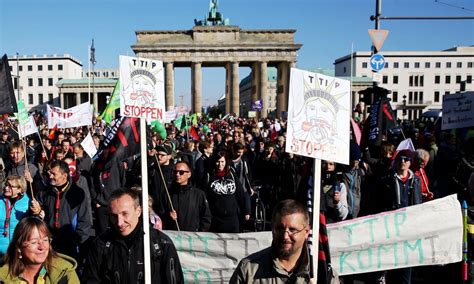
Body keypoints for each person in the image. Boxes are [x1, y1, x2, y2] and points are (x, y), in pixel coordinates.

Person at [82, 187, 184, 283]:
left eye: (125, 214)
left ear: (138, 211)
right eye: (114, 216)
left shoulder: (161, 244)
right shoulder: (101, 245)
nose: (119, 222)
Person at [230, 199, 311, 283]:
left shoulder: (320, 270)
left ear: (306, 232)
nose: (285, 236)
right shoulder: (249, 270)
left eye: (292, 230)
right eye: (280, 229)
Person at [30, 160, 92, 260]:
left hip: (70, 244)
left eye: (54, 174)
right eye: (50, 173)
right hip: (48, 242)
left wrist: (77, 241)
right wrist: (36, 211)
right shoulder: (44, 193)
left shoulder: (77, 193)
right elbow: (37, 216)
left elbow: (84, 220)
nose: (50, 176)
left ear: (64, 175)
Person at [0, 216, 79, 283]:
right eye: (34, 242)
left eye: (45, 240)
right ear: (19, 248)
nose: (42, 247)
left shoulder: (64, 272)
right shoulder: (3, 277)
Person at [158, 161, 211, 231]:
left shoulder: (199, 194)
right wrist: (169, 217)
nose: (177, 174)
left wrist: (200, 234)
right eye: (175, 172)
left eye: (181, 172)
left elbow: (206, 217)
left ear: (189, 174)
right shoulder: (167, 193)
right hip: (173, 235)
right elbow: (160, 215)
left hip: (193, 237)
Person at [206, 151, 250, 233]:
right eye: (218, 162)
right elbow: (205, 196)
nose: (220, 164)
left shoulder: (231, 174)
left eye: (222, 162)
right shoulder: (209, 176)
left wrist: (246, 210)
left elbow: (240, 193)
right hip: (216, 219)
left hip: (232, 218)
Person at [0, 176, 30, 256]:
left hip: (18, 251)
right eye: (6, 184)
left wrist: (37, 212)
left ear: (20, 189)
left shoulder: (28, 203)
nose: (6, 188)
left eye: (10, 186)